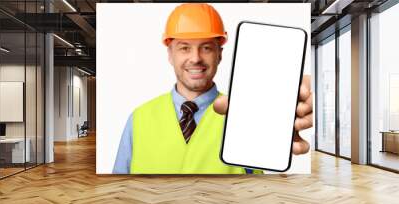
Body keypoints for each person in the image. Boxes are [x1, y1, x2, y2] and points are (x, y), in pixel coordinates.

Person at [113, 3, 313, 174]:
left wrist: (276, 134)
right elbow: (118, 189)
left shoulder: (247, 112)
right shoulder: (138, 118)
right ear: (170, 55)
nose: (196, 58)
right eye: (184, 47)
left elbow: (256, 189)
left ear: (220, 54)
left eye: (206, 47)